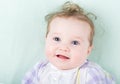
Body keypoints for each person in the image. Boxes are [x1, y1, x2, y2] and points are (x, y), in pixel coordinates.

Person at [22, 1, 115, 84]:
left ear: (88, 50)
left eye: (74, 42)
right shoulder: (40, 68)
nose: (63, 48)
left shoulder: (89, 74)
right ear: (46, 39)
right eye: (57, 39)